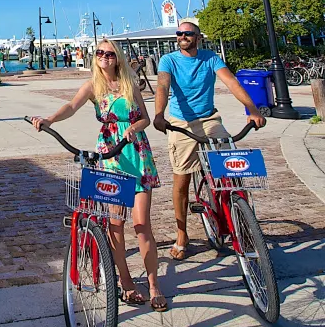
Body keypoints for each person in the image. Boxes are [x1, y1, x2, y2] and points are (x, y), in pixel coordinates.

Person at [31, 39, 166, 311]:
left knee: (142, 225)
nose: (105, 57)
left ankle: (154, 285)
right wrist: (50, 119)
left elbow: (145, 118)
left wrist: (133, 128)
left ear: (118, 58)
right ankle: (126, 282)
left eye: (110, 53)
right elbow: (72, 106)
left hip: (135, 152)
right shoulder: (93, 86)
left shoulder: (129, 83)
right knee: (116, 224)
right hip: (110, 155)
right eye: (100, 53)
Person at [153, 20, 267, 261]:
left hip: (209, 119)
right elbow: (162, 85)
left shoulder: (210, 58)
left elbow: (232, 82)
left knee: (232, 167)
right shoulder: (168, 60)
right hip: (181, 121)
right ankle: (182, 234)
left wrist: (252, 109)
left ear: (198, 37)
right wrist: (159, 114)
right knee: (181, 178)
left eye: (188, 33)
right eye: (179, 33)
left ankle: (242, 219)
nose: (183, 37)